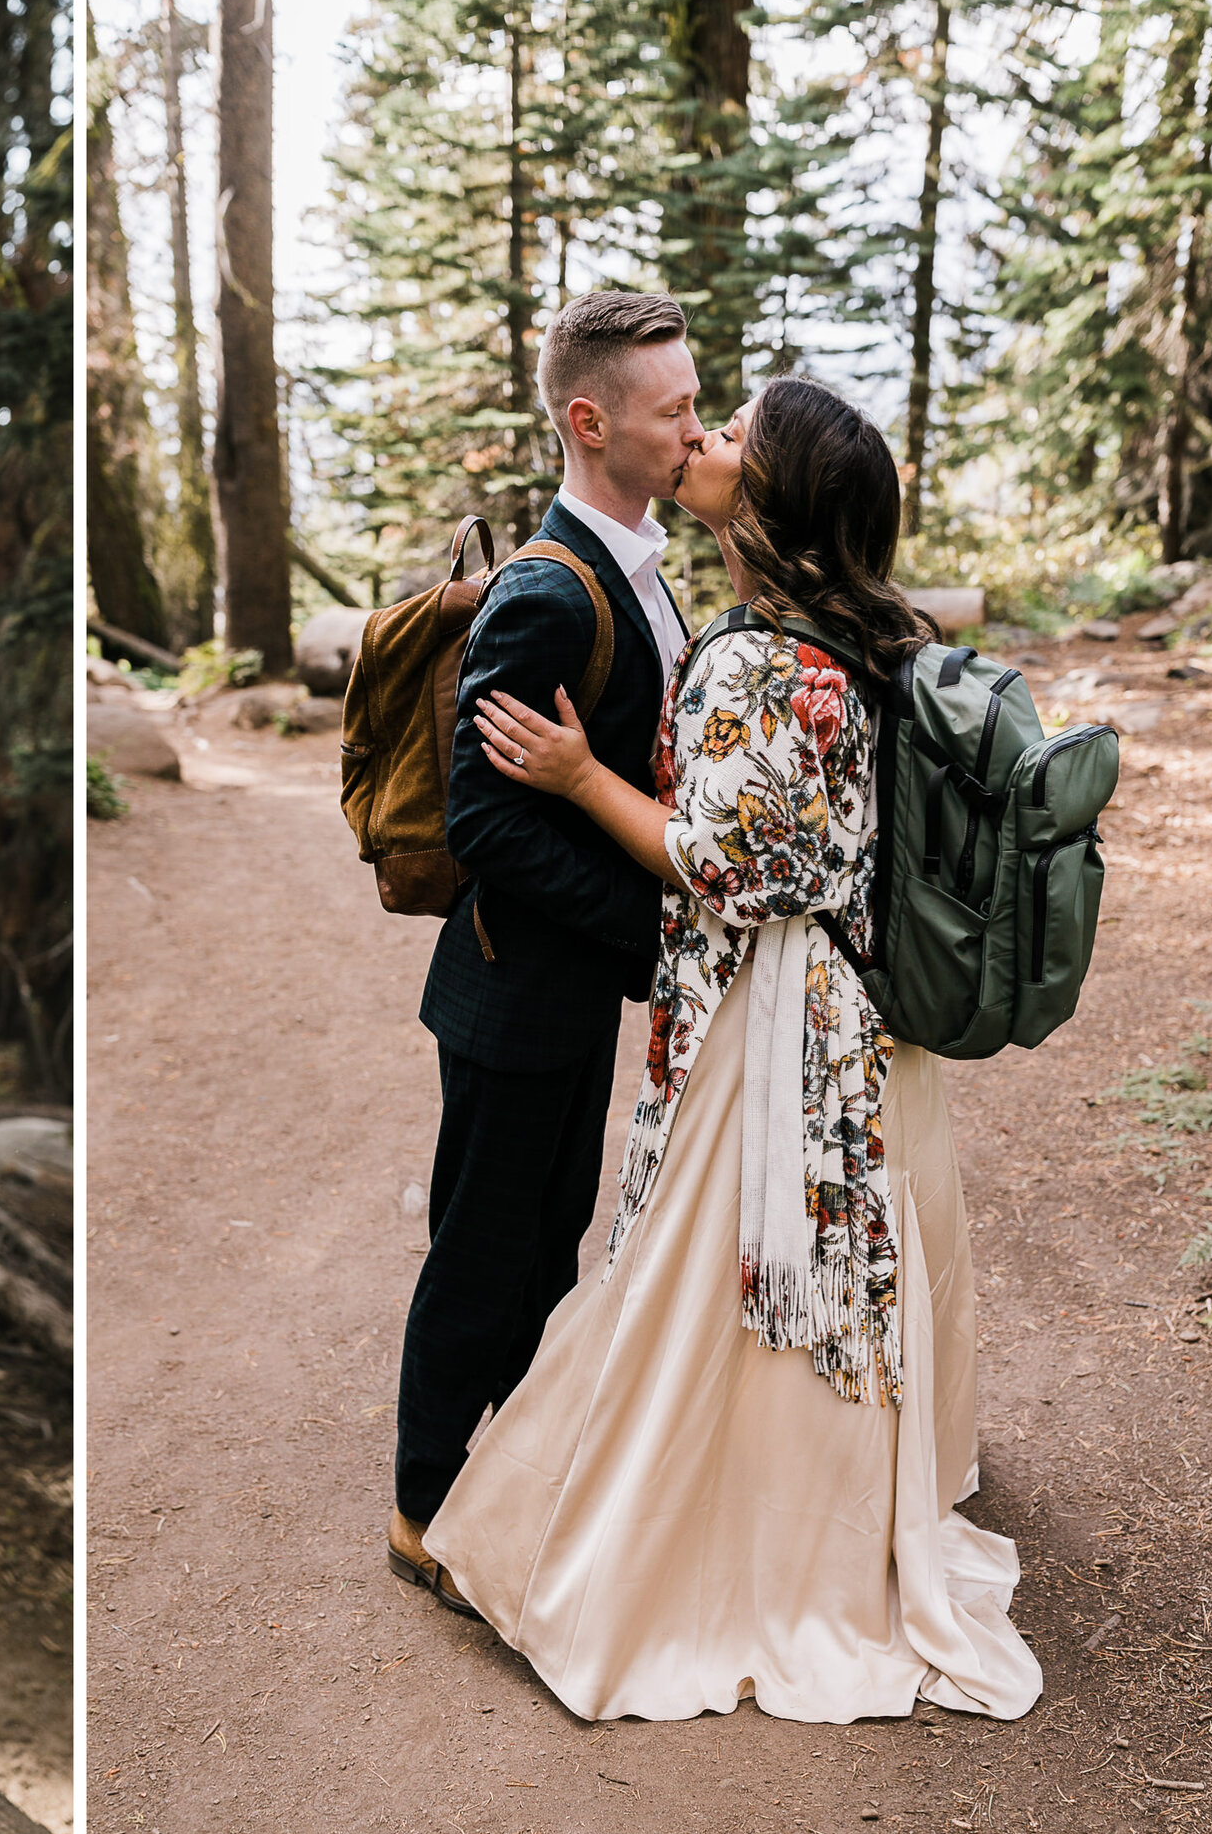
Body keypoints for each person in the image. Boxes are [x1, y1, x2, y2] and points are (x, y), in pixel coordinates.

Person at [421, 377, 1042, 1723]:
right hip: (844, 1006)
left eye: (733, 435)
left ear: (772, 499)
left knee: (721, 1268)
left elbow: (726, 864)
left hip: (777, 1014)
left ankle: (705, 1545)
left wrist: (584, 779)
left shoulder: (767, 657)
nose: (704, 439)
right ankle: (798, 1509)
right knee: (791, 1270)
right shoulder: (845, 634)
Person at [391, 290, 706, 1607]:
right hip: (515, 993)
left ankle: (506, 1471)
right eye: (673, 408)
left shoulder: (642, 562)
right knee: (484, 1246)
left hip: (571, 996)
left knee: (549, 1235)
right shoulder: (542, 590)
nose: (694, 428)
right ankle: (420, 1506)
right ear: (592, 420)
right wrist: (650, 924)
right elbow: (484, 820)